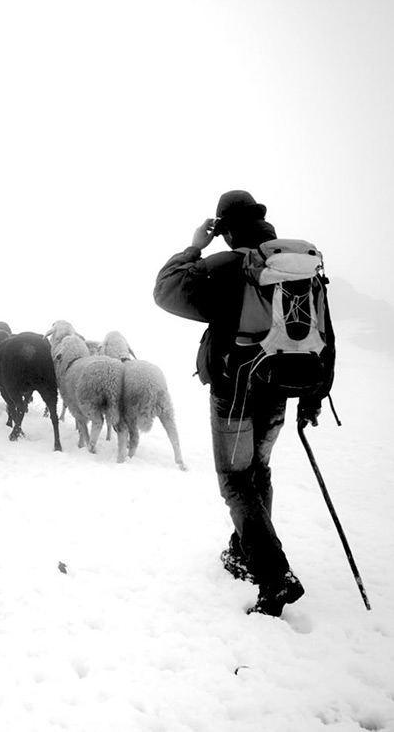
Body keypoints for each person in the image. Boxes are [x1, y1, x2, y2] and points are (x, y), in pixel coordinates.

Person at [153, 190, 335, 617]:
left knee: (236, 482)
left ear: (225, 228)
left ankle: (275, 578)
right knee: (259, 472)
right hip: (280, 390)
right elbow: (326, 335)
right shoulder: (298, 271)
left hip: (235, 396)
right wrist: (313, 397)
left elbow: (165, 290)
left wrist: (196, 245)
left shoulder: (230, 266)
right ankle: (243, 553)